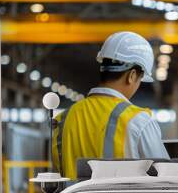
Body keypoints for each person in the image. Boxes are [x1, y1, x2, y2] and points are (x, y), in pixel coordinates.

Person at [52, 31, 169, 179]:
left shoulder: (63, 119)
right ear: (132, 76)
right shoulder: (139, 121)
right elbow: (165, 176)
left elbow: (58, 173)